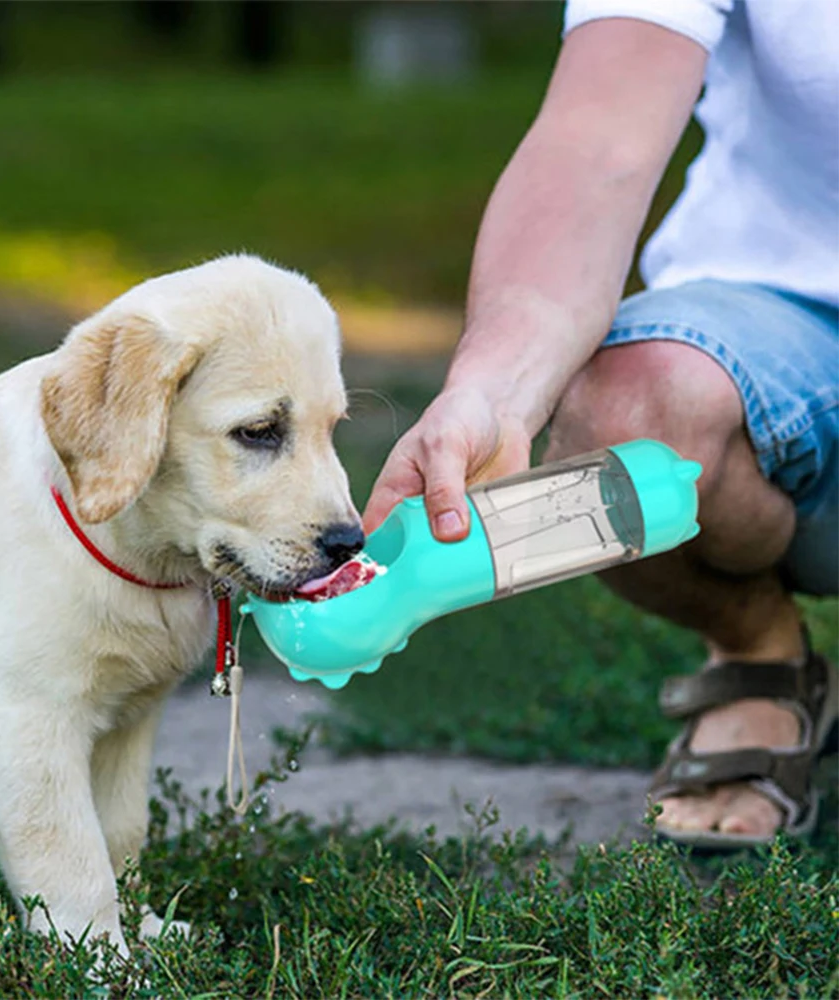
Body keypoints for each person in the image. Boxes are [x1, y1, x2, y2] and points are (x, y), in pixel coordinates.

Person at [363, 0, 838, 848]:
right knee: (628, 412)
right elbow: (594, 147)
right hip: (788, 320)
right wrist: (497, 391)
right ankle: (760, 656)